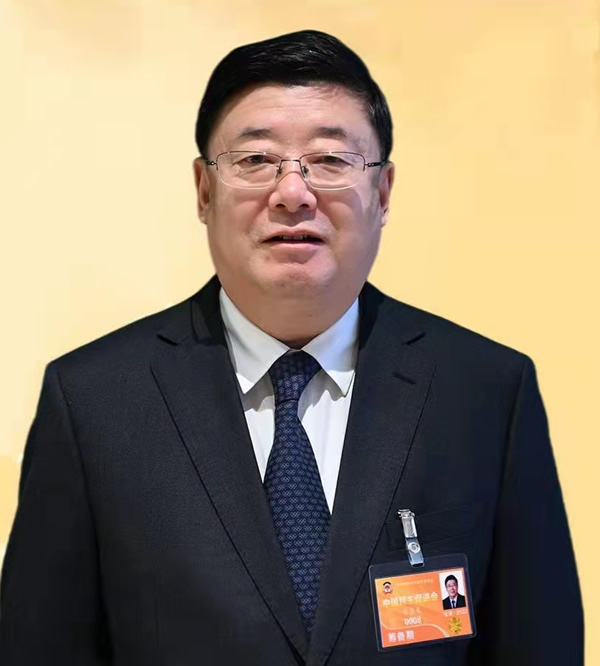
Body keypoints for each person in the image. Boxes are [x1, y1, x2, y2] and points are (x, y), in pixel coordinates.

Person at [0, 29, 583, 666]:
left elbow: (539, 642)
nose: (293, 193)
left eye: (330, 160)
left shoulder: (485, 392)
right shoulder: (94, 402)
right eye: (256, 160)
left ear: (384, 192)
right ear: (203, 190)